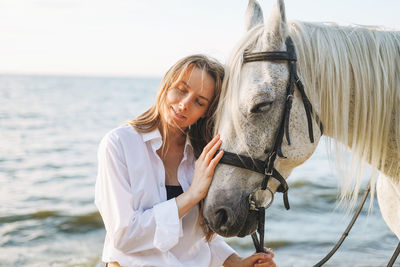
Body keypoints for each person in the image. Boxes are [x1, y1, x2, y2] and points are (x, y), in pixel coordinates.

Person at [95, 54, 276, 267]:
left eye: (199, 102)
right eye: (181, 90)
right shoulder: (118, 145)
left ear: (205, 112)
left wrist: (237, 261)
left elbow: (197, 236)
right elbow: (124, 236)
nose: (184, 105)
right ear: (166, 85)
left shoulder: (203, 154)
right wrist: (191, 195)